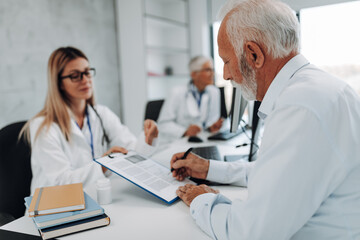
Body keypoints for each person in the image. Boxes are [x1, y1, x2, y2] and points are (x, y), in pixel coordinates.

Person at [170, 0, 360, 239]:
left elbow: (251, 232)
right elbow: (277, 173)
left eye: (226, 61)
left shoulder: (299, 105)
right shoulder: (315, 89)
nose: (226, 74)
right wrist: (209, 168)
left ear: (253, 54)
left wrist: (202, 200)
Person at [20, 47, 159, 194]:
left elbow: (131, 151)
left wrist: (148, 139)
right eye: (75, 75)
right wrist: (104, 165)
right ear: (59, 83)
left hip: (93, 196)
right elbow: (60, 182)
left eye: (87, 72)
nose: (85, 80)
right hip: (55, 207)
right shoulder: (44, 127)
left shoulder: (101, 114)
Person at [157, 56, 223, 138]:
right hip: (179, 142)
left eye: (212, 70)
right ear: (194, 74)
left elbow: (212, 119)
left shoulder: (214, 92)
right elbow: (163, 124)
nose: (212, 74)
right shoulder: (177, 92)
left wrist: (210, 128)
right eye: (207, 70)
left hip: (203, 139)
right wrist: (184, 131)